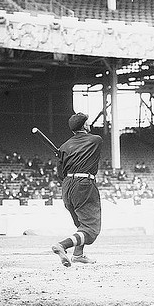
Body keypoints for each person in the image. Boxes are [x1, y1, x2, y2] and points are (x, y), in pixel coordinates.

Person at [51, 113, 103, 267]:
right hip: (84, 184)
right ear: (85, 126)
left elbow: (60, 173)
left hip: (67, 186)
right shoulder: (96, 140)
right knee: (91, 230)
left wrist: (61, 155)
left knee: (81, 225)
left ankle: (78, 255)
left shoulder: (64, 147)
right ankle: (62, 245)